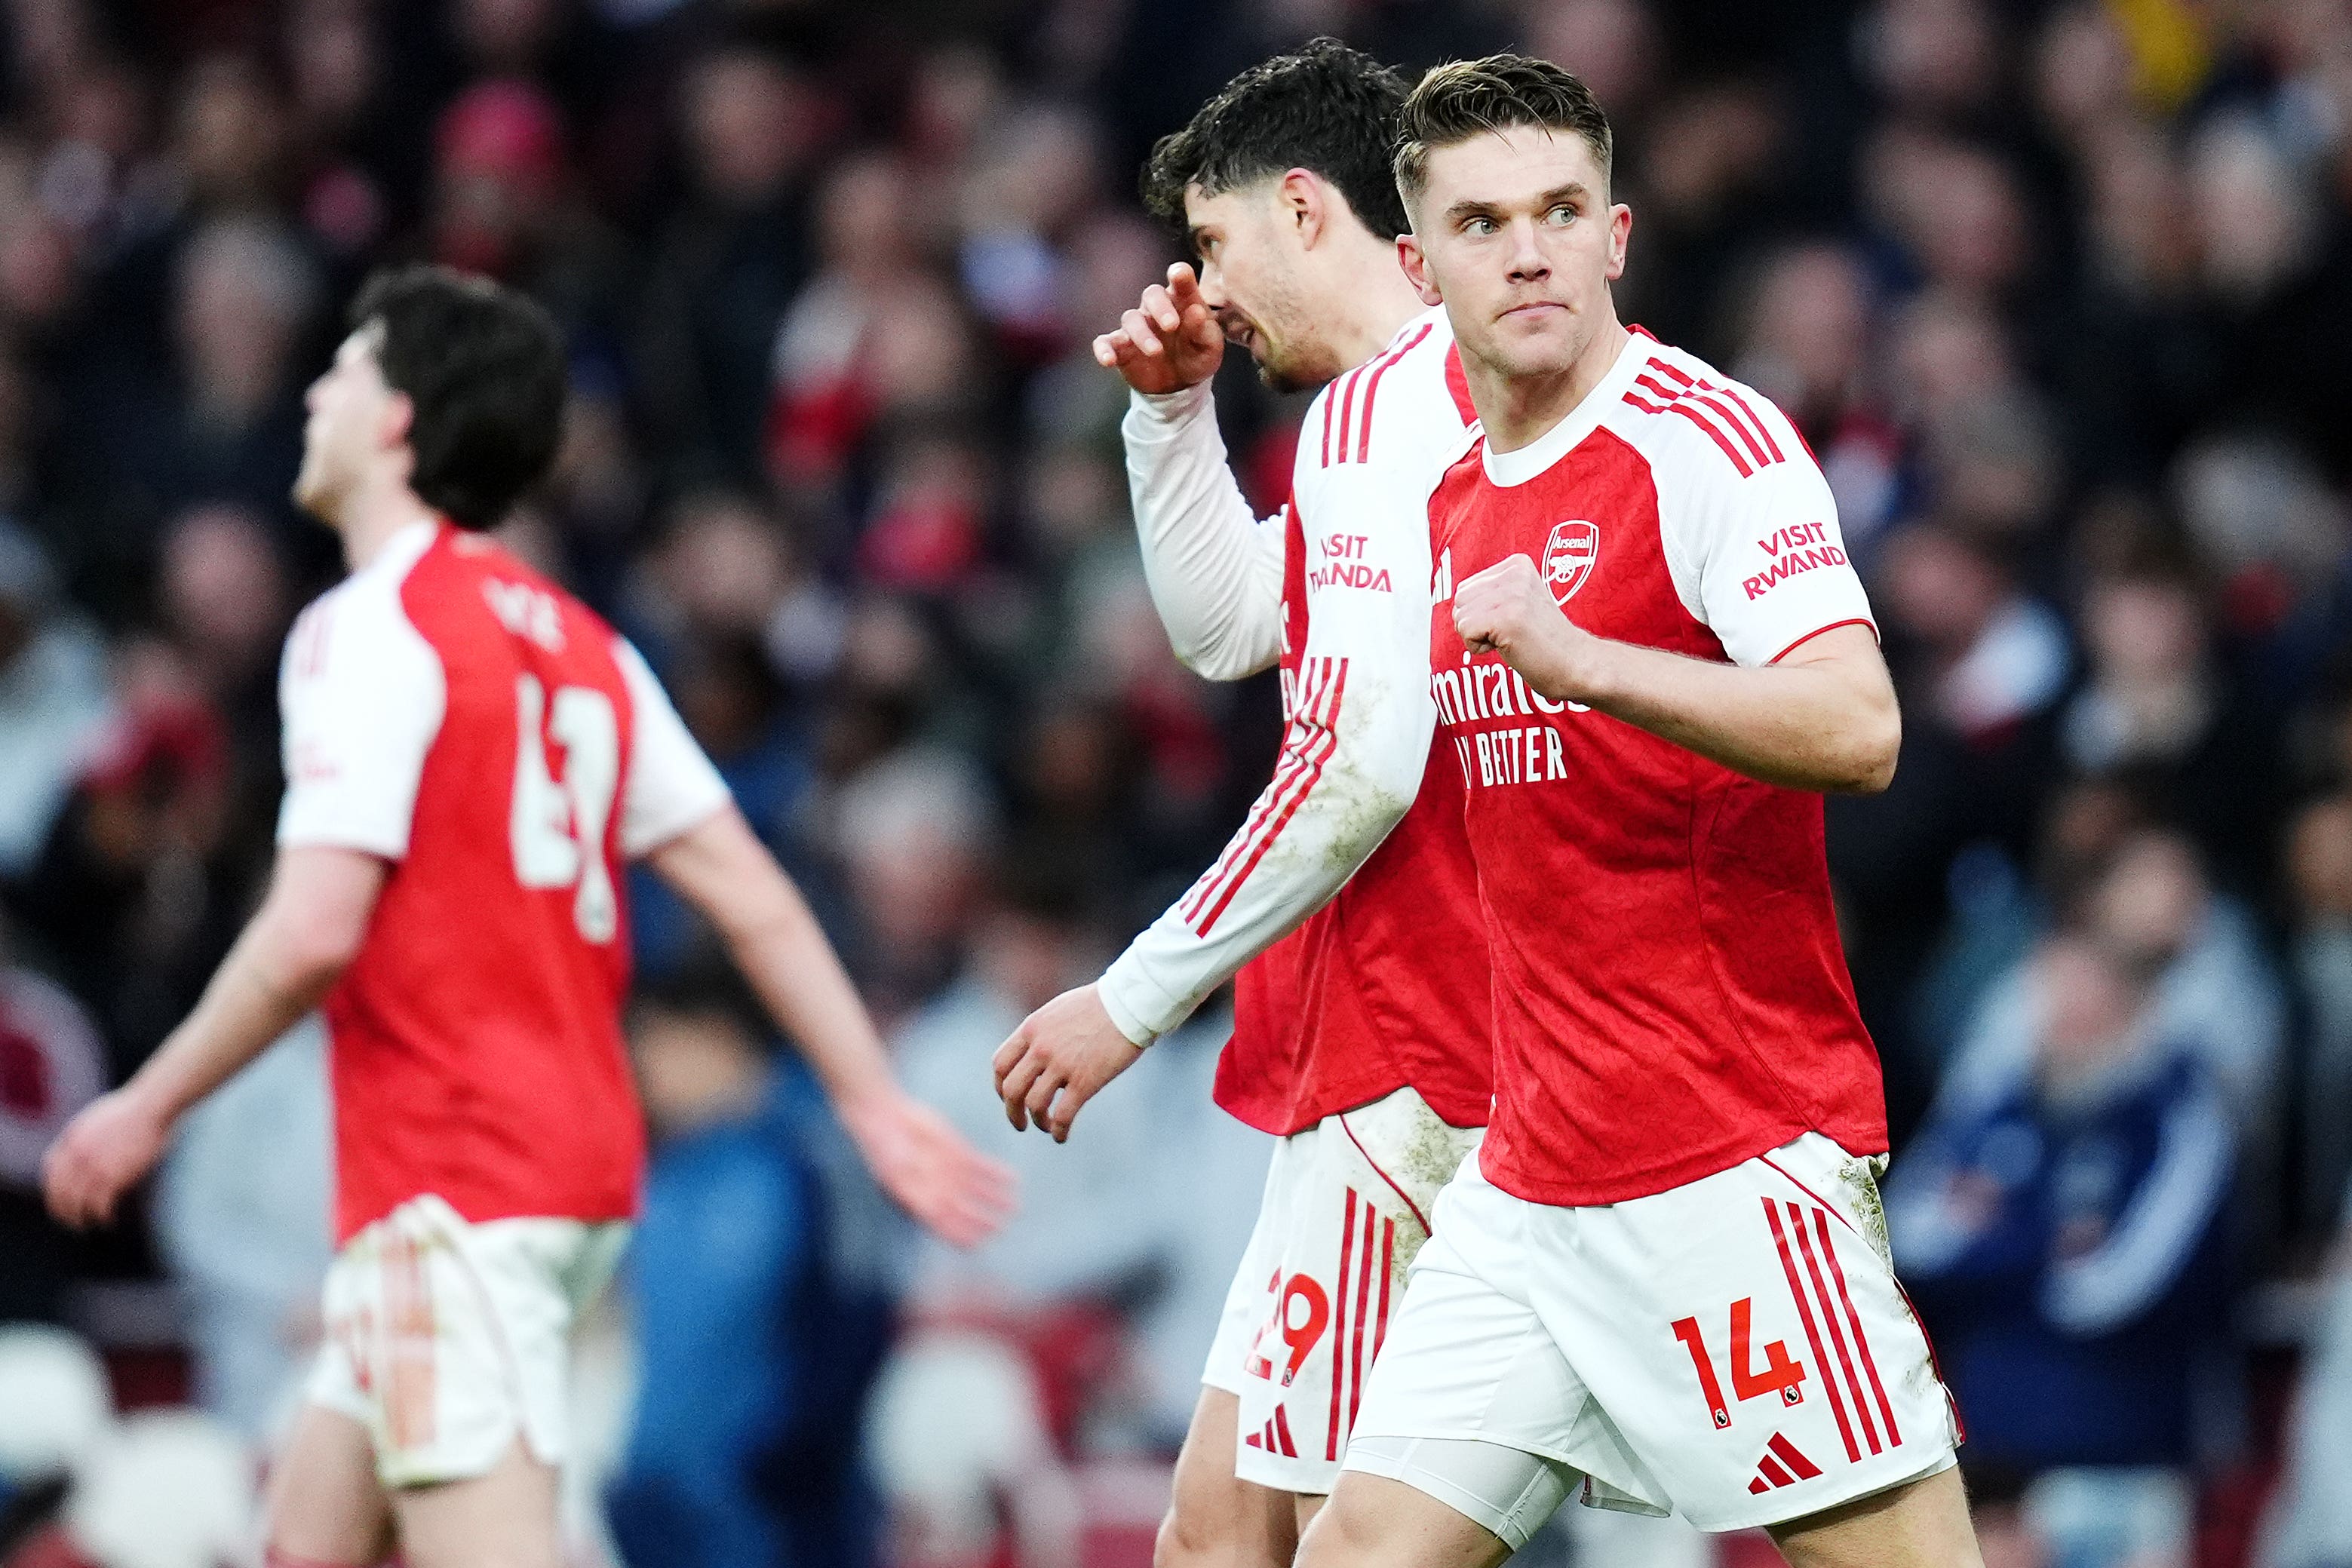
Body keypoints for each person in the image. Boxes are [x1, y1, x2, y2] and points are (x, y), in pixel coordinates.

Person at [38, 265, 1012, 1568]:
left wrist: (147, 1102)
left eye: (342, 371)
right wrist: (870, 1100)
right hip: (550, 1173)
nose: (315, 396)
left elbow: (315, 925)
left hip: (458, 1184)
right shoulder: (582, 644)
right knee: (303, 1540)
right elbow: (750, 891)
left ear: (394, 418)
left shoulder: (365, 629)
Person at [1295, 57, 1979, 1568]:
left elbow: (1857, 723)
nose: (1525, 249)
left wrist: (1585, 658)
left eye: (1556, 210)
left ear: (1615, 234)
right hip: (1531, 1178)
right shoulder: (1444, 494)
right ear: (1418, 269)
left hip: (1719, 1156)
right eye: (1480, 223)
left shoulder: (1708, 443)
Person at [987, 41, 1493, 1565]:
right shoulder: (1449, 400)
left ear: (1299, 206)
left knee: (1286, 1539)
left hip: (1422, 1046)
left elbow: (1351, 766)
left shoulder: (1383, 416)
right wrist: (1167, 416)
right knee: (1224, 1527)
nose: (1206, 287)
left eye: (1211, 243)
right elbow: (1231, 628)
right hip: (1437, 1031)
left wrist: (1127, 1001)